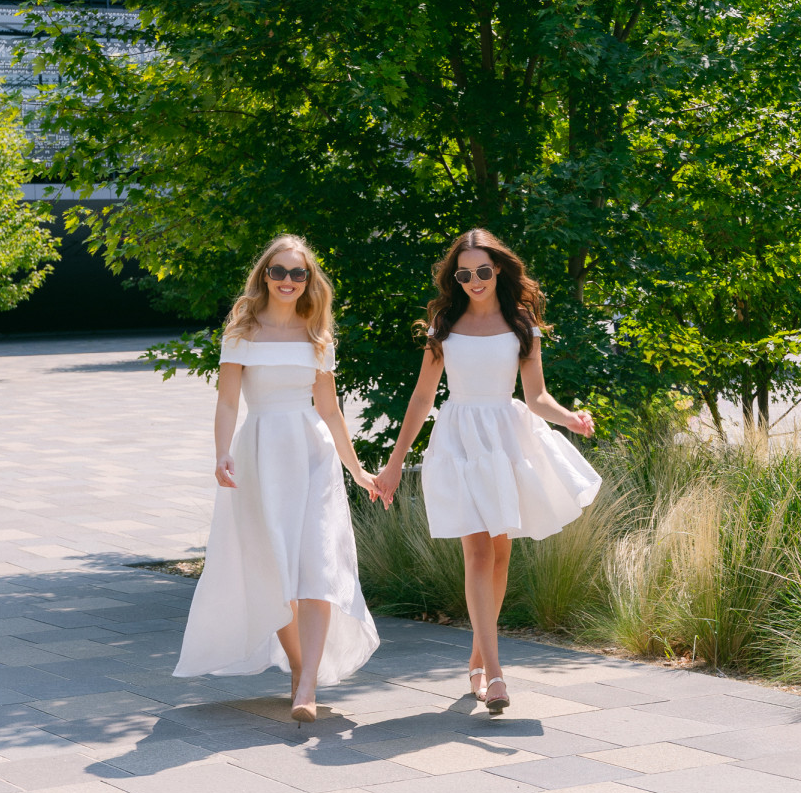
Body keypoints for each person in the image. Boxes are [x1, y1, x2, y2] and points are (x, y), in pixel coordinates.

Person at [374, 229, 600, 714]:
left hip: (505, 441)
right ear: (455, 278)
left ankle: (478, 657)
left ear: (497, 268)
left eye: (482, 270)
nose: (474, 280)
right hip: (459, 440)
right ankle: (495, 673)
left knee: (499, 556)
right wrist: (394, 464)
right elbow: (422, 397)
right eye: (464, 274)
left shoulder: (521, 324)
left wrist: (570, 418)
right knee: (477, 552)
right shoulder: (444, 325)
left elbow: (536, 396)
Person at [174, 235, 380, 722]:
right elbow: (228, 401)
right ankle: (300, 666)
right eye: (279, 271)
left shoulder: (318, 336)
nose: (288, 281)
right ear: (264, 275)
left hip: (313, 455)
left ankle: (306, 685)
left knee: (318, 569)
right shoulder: (241, 332)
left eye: (298, 273)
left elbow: (330, 410)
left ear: (309, 280)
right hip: (261, 454)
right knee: (277, 572)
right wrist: (221, 453)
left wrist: (356, 469)